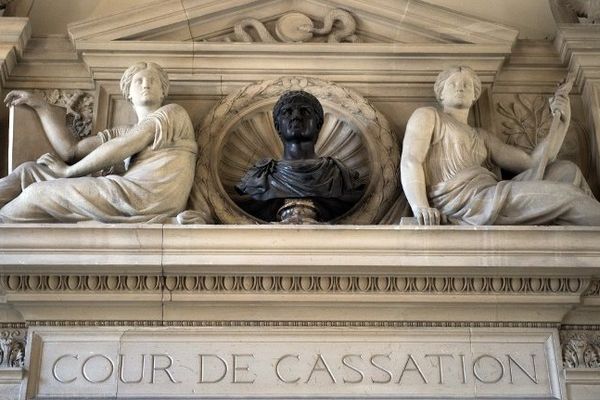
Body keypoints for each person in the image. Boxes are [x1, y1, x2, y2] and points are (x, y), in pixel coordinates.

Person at [401, 65, 600, 225]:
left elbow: (532, 163)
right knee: (568, 195)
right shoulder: (429, 116)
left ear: (474, 96)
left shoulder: (482, 136)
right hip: (469, 202)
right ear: (441, 93)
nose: (460, 87)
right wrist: (420, 206)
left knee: (567, 171)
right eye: (452, 84)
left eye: (467, 85)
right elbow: (411, 160)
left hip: (491, 194)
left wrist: (563, 119)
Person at [0, 61, 197, 223]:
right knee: (28, 171)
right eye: (139, 81)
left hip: (145, 197)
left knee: (36, 194)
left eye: (153, 81)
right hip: (125, 190)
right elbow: (71, 151)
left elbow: (125, 145)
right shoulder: (124, 131)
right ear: (128, 93)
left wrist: (68, 171)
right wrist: (41, 106)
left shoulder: (173, 113)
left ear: (163, 92)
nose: (146, 84)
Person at [236, 90, 364, 222]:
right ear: (278, 126)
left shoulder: (340, 174)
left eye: (305, 111)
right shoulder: (260, 176)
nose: (296, 116)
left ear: (318, 124)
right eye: (287, 112)